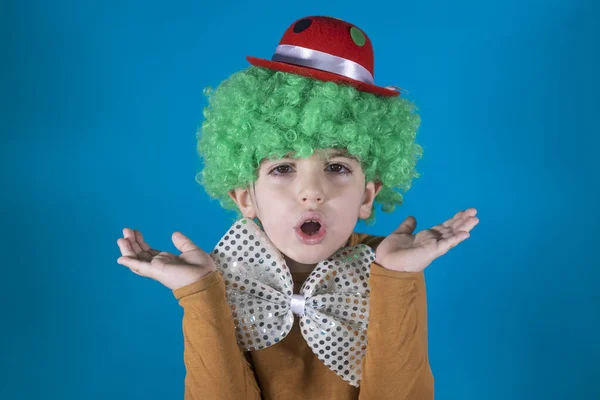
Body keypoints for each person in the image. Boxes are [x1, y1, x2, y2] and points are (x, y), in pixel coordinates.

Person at [116, 15, 479, 400]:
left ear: (367, 196)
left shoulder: (389, 269)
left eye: (337, 167)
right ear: (245, 198)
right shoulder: (224, 275)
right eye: (283, 168)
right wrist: (199, 293)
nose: (311, 192)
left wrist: (398, 279)